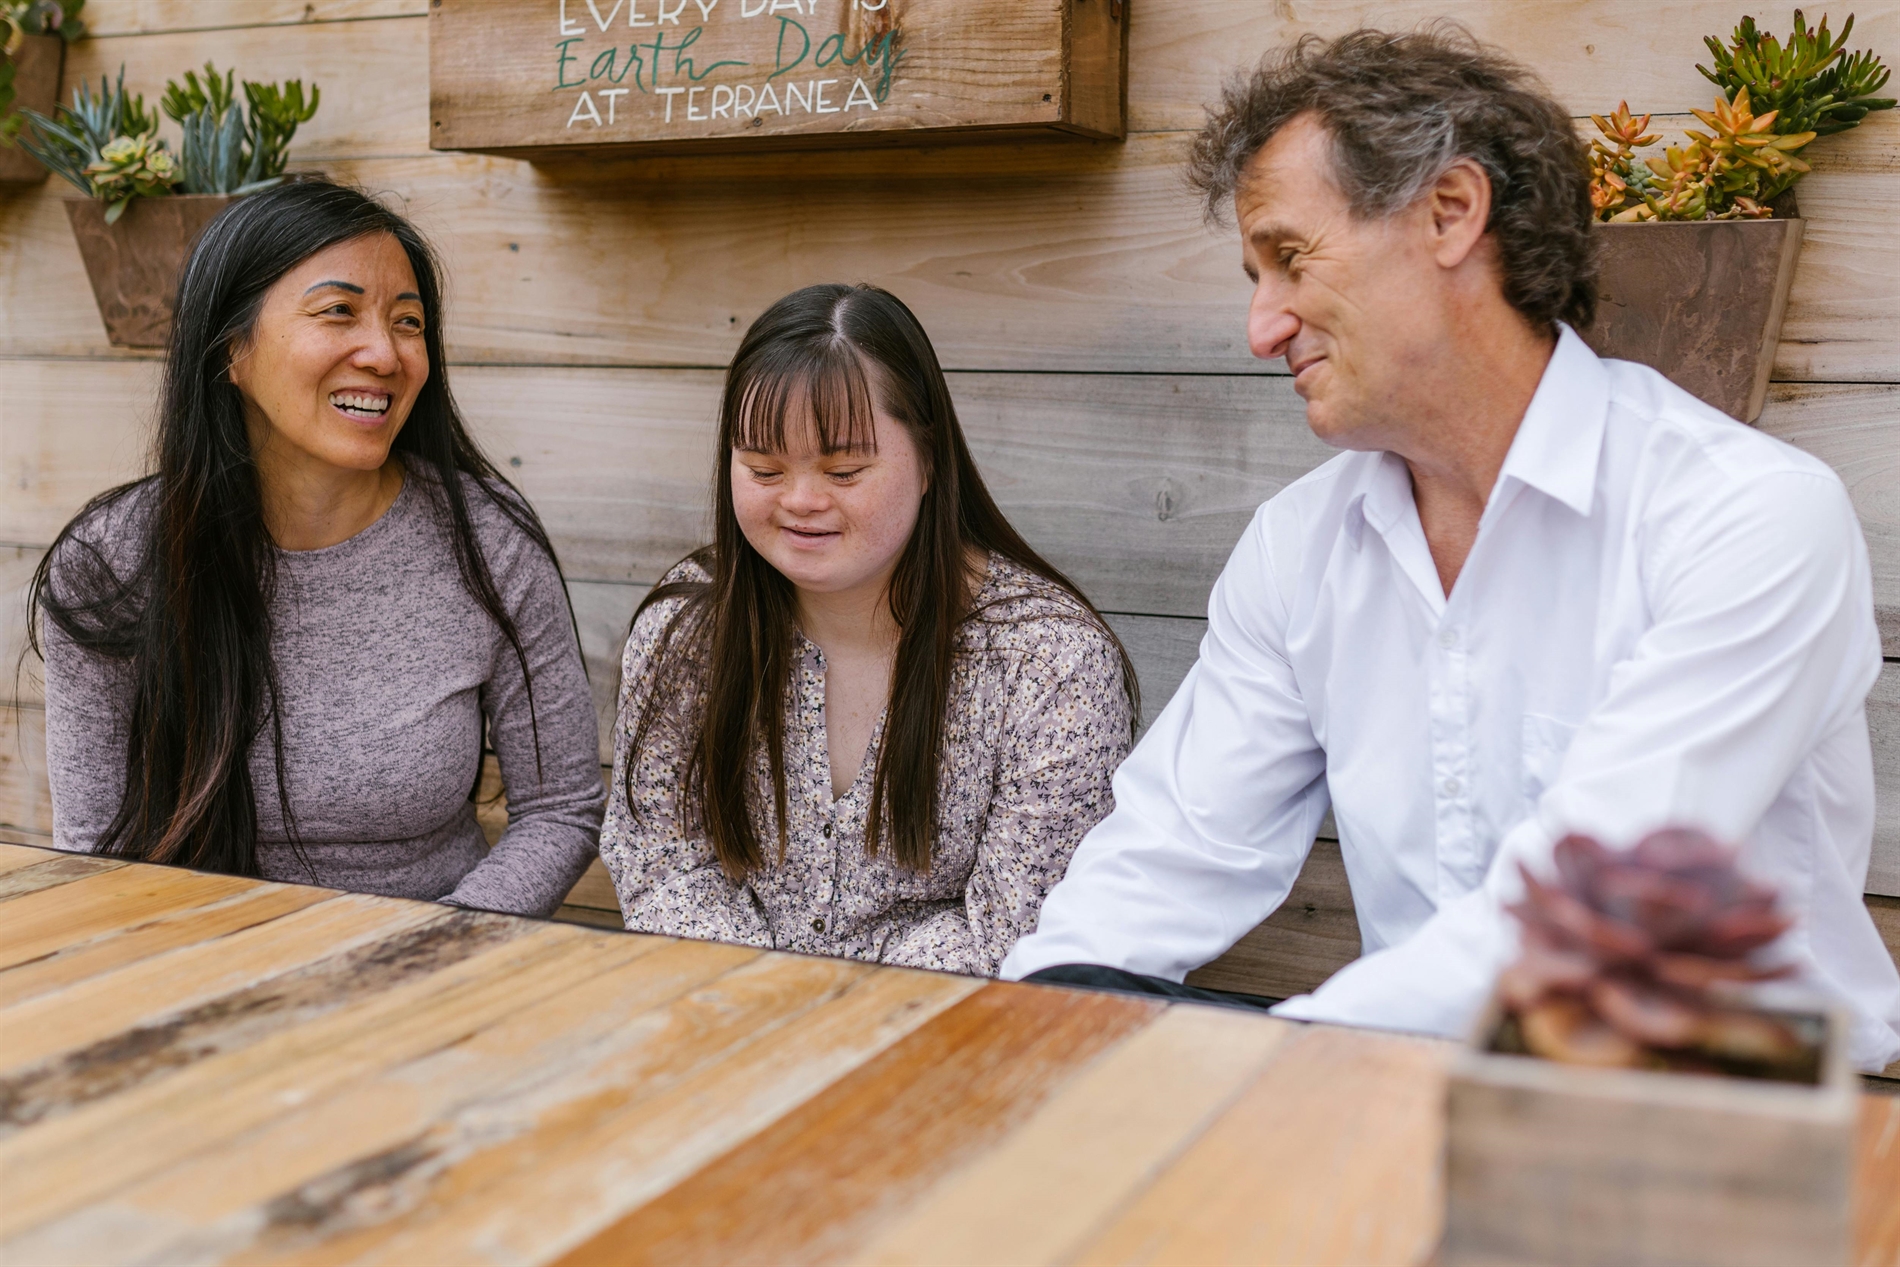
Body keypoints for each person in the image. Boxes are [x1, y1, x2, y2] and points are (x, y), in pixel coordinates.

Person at [1001, 28, 1900, 1070]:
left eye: (1289, 257)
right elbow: (1162, 864)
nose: (1261, 326)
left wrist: (1269, 1076)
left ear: (1449, 212)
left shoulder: (1746, 516)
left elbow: (1579, 921)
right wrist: (1026, 1038)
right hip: (1411, 1104)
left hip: (1732, 1131)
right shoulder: (1299, 548)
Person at [32, 179, 603, 917]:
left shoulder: (486, 538)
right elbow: (96, 855)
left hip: (442, 973)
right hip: (201, 973)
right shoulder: (109, 565)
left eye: (408, 321)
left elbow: (560, 807)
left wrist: (437, 949)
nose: (386, 353)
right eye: (339, 312)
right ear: (231, 348)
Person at [600, 283, 1137, 975]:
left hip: (952, 1045)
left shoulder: (1051, 664)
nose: (800, 501)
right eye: (764, 467)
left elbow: (1021, 929)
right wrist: (761, 1002)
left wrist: (829, 1010)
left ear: (929, 461)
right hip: (728, 1026)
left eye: (844, 469)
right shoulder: (687, 630)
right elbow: (662, 866)